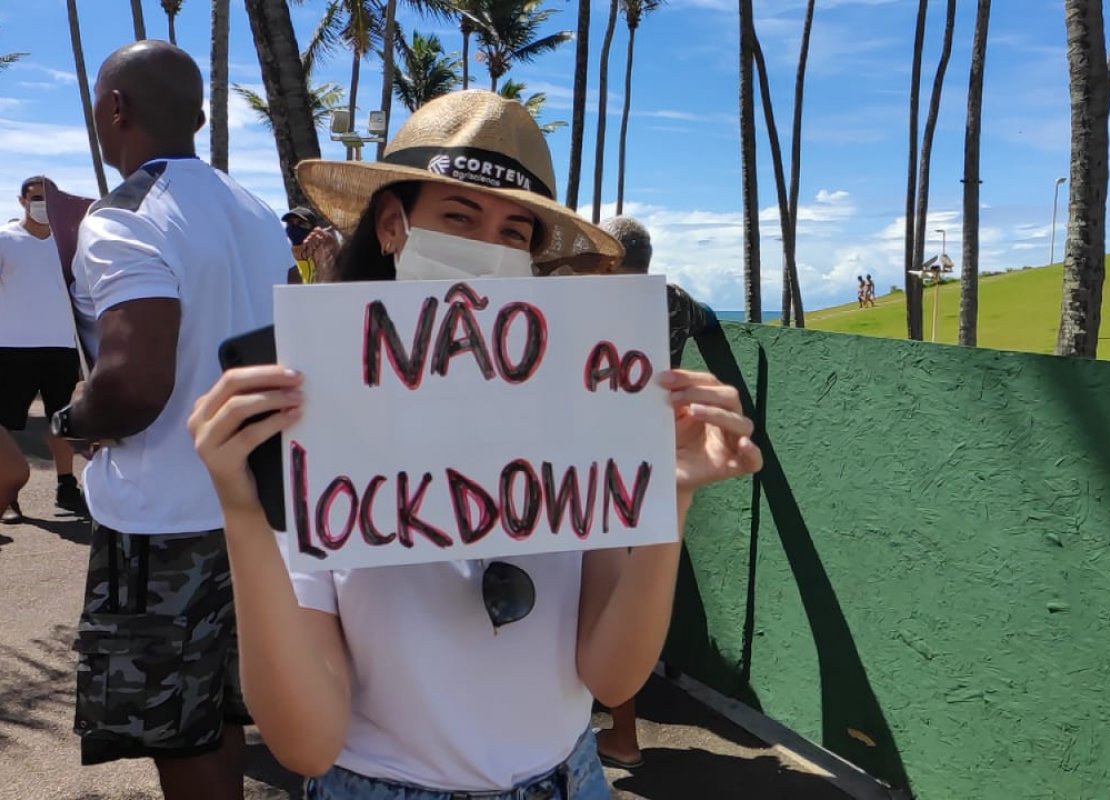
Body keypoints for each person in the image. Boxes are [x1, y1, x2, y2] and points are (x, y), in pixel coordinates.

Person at [188, 90, 762, 800]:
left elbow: (613, 677)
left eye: (515, 232)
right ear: (393, 226)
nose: (489, 247)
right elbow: (307, 743)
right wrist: (242, 516)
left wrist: (671, 496)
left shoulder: (581, 422)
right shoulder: (316, 429)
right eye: (459, 216)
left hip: (569, 780)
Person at [58, 41, 291, 798]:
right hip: (255, 508)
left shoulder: (123, 217)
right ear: (196, 116)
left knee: (179, 733)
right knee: (220, 711)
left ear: (115, 107)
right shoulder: (255, 212)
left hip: (163, 520)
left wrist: (69, 419)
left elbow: (133, 385)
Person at [593, 215, 715, 769]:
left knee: (603, 589)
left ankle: (622, 737)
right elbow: (710, 323)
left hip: (602, 461)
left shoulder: (599, 303)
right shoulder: (677, 302)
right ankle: (619, 731)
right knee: (635, 588)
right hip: (655, 456)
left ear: (613, 260)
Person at [0, 175, 85, 523]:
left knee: (60, 421)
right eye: (35, 198)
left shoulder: (68, 244)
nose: (42, 205)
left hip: (61, 347)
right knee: (4, 425)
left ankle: (67, 486)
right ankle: (6, 493)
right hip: (12, 348)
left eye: (47, 198)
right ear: (21, 201)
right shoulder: (5, 240)